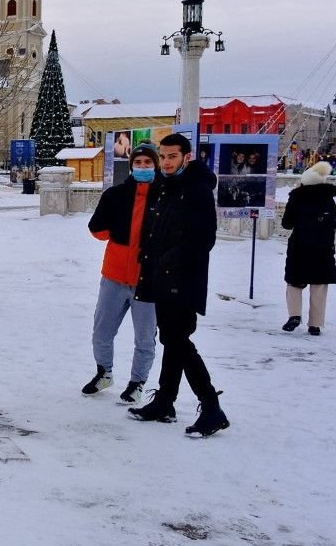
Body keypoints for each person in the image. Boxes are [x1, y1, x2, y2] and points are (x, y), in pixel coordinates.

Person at [128, 132, 229, 437]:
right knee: (172, 340)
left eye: (173, 156)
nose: (167, 162)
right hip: (161, 277)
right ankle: (165, 402)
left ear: (187, 156)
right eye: (165, 156)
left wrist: (169, 261)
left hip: (183, 279)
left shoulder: (196, 189)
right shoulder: (165, 187)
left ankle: (211, 407)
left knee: (179, 342)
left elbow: (203, 239)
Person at [83, 143, 160, 405]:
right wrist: (116, 230)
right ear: (131, 167)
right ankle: (104, 372)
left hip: (148, 279)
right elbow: (97, 229)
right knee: (101, 331)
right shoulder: (115, 194)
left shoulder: (165, 196)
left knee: (145, 337)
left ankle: (138, 382)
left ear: (155, 166)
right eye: (138, 164)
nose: (142, 168)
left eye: (147, 164)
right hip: (114, 275)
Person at [281, 161, 336, 335]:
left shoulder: (297, 197)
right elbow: (334, 223)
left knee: (294, 283)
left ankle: (294, 315)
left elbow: (286, 224)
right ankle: (315, 324)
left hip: (299, 246)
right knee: (319, 285)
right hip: (323, 248)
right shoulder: (329, 199)